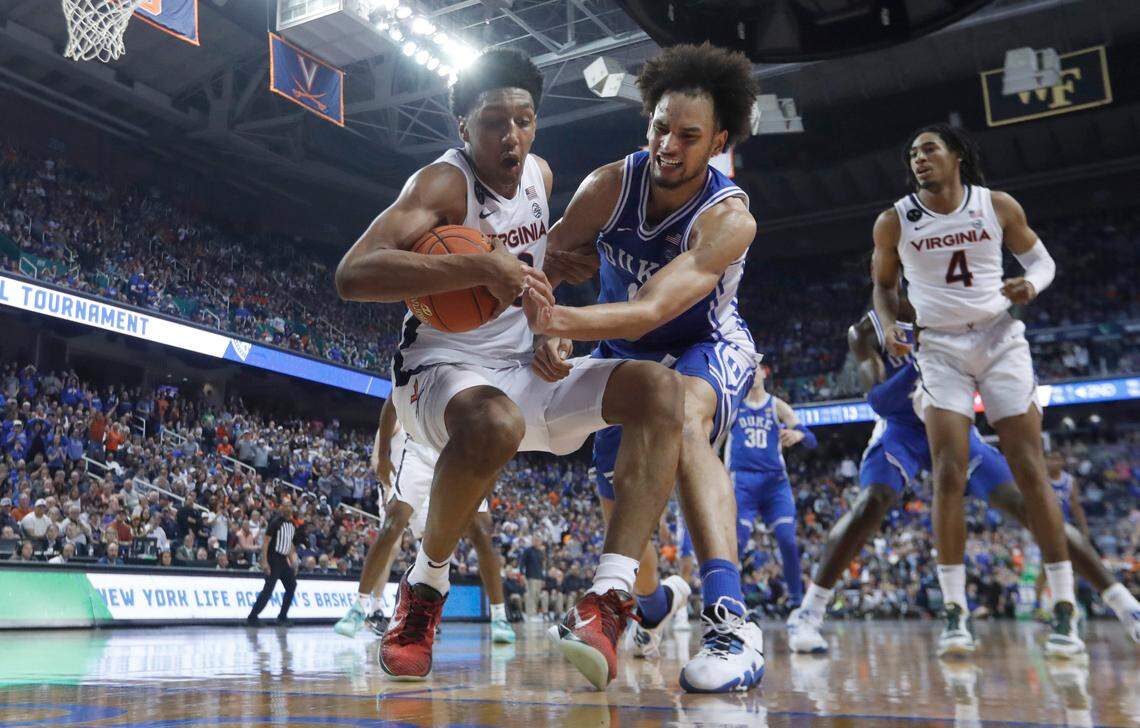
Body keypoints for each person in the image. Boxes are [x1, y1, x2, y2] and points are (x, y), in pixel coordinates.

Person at [335, 49, 683, 687]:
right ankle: (425, 590)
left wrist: (550, 329)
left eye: (523, 120)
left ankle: (607, 600)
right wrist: (478, 266)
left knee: (660, 390)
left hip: (523, 368)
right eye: (494, 122)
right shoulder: (442, 185)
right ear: (463, 126)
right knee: (495, 423)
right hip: (439, 368)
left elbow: (535, 278)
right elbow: (352, 274)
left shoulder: (541, 177)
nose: (511, 136)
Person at [531, 43, 763, 693]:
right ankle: (654, 603)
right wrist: (541, 331)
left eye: (689, 136)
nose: (669, 145)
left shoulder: (728, 219)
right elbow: (548, 264)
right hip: (621, 352)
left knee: (684, 417)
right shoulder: (609, 185)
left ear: (717, 141)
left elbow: (651, 310)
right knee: (623, 504)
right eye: (662, 128)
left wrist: (560, 324)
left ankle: (732, 624)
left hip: (703, 343)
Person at [786, 305, 1140, 654]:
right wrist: (923, 361)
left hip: (954, 425)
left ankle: (1127, 607)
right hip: (903, 430)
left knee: (1027, 505)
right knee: (871, 503)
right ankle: (809, 613)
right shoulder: (866, 332)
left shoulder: (956, 313)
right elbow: (881, 401)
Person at [872, 123, 1082, 658]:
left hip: (999, 338)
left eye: (929, 149)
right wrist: (889, 325)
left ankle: (1064, 605)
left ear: (957, 156)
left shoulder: (997, 205)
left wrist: (1030, 284)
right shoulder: (895, 220)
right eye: (912, 153)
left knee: (1029, 467)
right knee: (949, 470)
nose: (919, 159)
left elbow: (1042, 261)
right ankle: (955, 611)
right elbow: (883, 286)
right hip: (939, 348)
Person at [333, 398, 515, 645]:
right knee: (392, 525)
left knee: (479, 534)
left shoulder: (479, 385)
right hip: (419, 452)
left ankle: (499, 616)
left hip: (462, 450)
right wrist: (383, 455)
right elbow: (392, 403)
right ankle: (359, 607)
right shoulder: (414, 381)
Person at [724, 360, 816, 614]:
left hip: (775, 482)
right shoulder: (733, 405)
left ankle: (796, 603)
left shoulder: (777, 406)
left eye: (755, 368)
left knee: (787, 540)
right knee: (738, 541)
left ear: (764, 373)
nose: (752, 373)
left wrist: (798, 434)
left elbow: (811, 439)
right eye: (748, 369)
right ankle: (732, 602)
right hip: (743, 481)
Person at [247, 496, 301, 626]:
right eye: (286, 505)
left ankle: (282, 617)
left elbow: (289, 545)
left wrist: (293, 562)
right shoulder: (275, 522)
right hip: (273, 558)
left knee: (292, 585)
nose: (288, 508)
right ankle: (252, 617)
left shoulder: (292, 524)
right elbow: (266, 543)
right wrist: (264, 561)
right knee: (268, 589)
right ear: (281, 508)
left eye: (290, 505)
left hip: (283, 560)